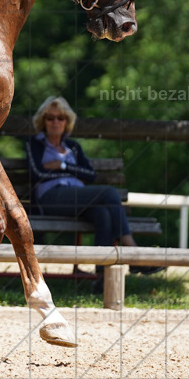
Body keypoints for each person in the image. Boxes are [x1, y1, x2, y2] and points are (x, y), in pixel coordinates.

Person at [25, 96, 162, 291]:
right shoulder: (34, 144)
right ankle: (133, 253)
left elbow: (90, 174)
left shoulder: (73, 147)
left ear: (67, 121)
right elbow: (36, 172)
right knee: (109, 193)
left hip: (78, 200)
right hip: (51, 199)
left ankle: (101, 279)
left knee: (103, 214)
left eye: (60, 117)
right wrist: (72, 170)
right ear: (42, 121)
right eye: (50, 117)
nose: (55, 122)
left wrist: (61, 165)